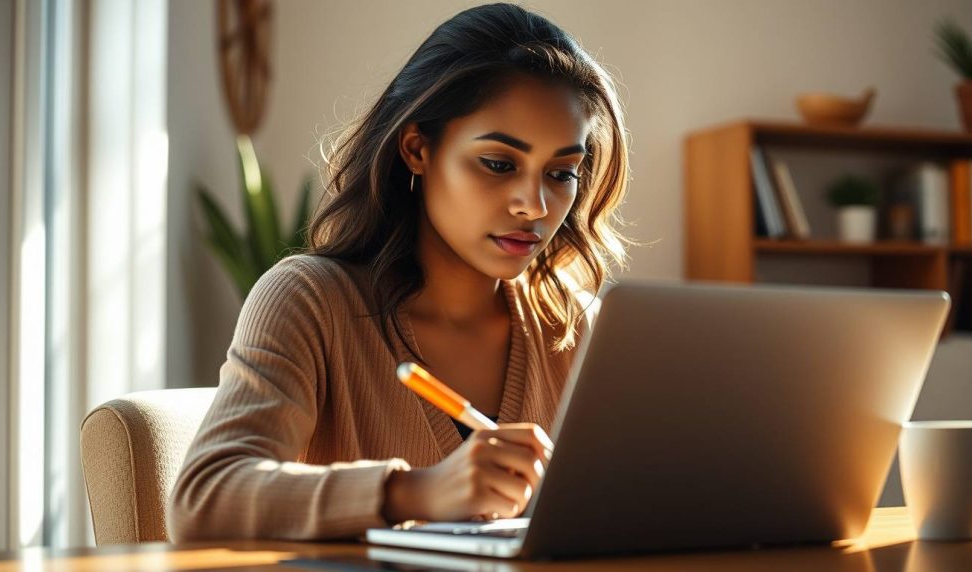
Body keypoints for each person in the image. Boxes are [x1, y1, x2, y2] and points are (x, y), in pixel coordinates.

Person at [166, 2, 631, 542]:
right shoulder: (311, 302)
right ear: (417, 149)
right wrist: (417, 492)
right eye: (499, 164)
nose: (535, 205)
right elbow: (202, 497)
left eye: (561, 173)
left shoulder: (574, 325)